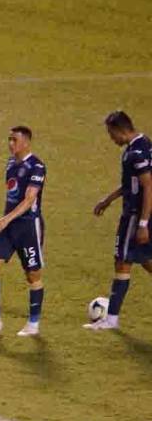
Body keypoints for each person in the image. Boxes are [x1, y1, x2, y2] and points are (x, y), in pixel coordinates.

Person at [0, 126, 47, 337]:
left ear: (26, 142)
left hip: (28, 227)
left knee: (32, 275)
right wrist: (6, 221)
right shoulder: (11, 163)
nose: (10, 144)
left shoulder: (37, 166)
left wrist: (5, 219)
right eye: (9, 139)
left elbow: (29, 199)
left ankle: (33, 324)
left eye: (14, 140)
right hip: (8, 227)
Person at [84, 111, 152, 330]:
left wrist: (142, 223)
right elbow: (131, 184)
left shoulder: (136, 153)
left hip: (135, 215)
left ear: (120, 129)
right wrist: (108, 200)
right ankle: (111, 318)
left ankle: (111, 319)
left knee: (122, 261)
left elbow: (148, 186)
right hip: (139, 213)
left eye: (111, 133)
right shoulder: (143, 144)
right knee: (143, 258)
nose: (111, 138)